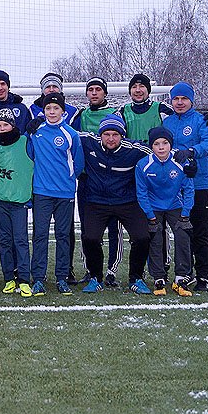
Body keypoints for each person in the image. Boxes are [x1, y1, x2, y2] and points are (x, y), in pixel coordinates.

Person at [77, 114, 152, 293]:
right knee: (90, 238)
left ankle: (136, 278)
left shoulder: (135, 149)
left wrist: (185, 159)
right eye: (106, 134)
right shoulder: (89, 141)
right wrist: (38, 123)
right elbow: (63, 131)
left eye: (115, 134)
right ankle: (95, 278)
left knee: (142, 237)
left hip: (127, 201)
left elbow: (161, 151)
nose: (111, 138)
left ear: (122, 136)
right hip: (97, 201)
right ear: (100, 135)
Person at [26, 92, 84, 296]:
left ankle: (62, 277)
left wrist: (67, 180)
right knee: (40, 235)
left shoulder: (71, 134)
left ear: (62, 111)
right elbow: (30, 154)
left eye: (56, 108)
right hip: (42, 191)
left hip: (65, 193)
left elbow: (79, 164)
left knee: (63, 235)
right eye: (48, 108)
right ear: (43, 110)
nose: (52, 111)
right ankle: (38, 278)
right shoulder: (36, 132)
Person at [162, 82, 208, 292]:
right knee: (182, 232)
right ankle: (185, 273)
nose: (179, 102)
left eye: (184, 98)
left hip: (199, 184)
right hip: (176, 187)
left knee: (200, 232)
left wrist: (192, 151)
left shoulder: (202, 120)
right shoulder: (167, 122)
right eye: (176, 99)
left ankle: (203, 276)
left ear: (191, 100)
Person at [69, 77, 122, 286]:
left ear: (105, 93)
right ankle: (91, 270)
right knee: (88, 228)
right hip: (87, 180)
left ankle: (111, 271)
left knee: (114, 228)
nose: (93, 93)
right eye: (90, 89)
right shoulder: (80, 115)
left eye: (98, 89)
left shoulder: (116, 114)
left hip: (112, 180)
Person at [135, 127, 195, 297]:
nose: (161, 147)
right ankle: (159, 277)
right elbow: (141, 192)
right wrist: (150, 215)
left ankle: (181, 277)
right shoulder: (143, 165)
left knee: (183, 235)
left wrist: (186, 212)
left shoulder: (180, 161)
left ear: (171, 144)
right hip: (153, 207)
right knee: (155, 238)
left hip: (175, 205)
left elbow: (189, 189)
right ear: (151, 146)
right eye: (156, 144)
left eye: (165, 143)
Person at [0, 108, 33, 297]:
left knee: (20, 240)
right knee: (4, 241)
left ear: (13, 125)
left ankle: (24, 279)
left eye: (6, 124)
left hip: (19, 201)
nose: (2, 128)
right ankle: (9, 278)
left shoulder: (25, 141)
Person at [119, 74, 172, 142]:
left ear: (148, 90)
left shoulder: (162, 109)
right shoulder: (123, 111)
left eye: (142, 86)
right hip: (131, 149)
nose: (138, 90)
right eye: (134, 87)